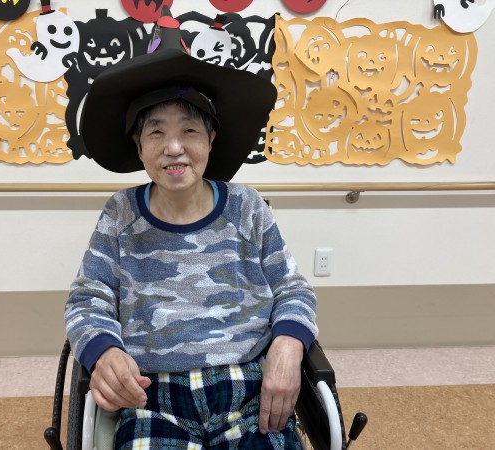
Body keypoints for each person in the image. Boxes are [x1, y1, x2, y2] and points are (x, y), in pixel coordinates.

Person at [65, 7, 318, 449]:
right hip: (151, 394)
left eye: (190, 130)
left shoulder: (246, 206)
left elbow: (293, 289)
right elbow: (87, 299)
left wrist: (288, 345)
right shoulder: (121, 212)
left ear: (211, 139)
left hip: (247, 386)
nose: (174, 147)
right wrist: (104, 351)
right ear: (138, 145)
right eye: (156, 132)